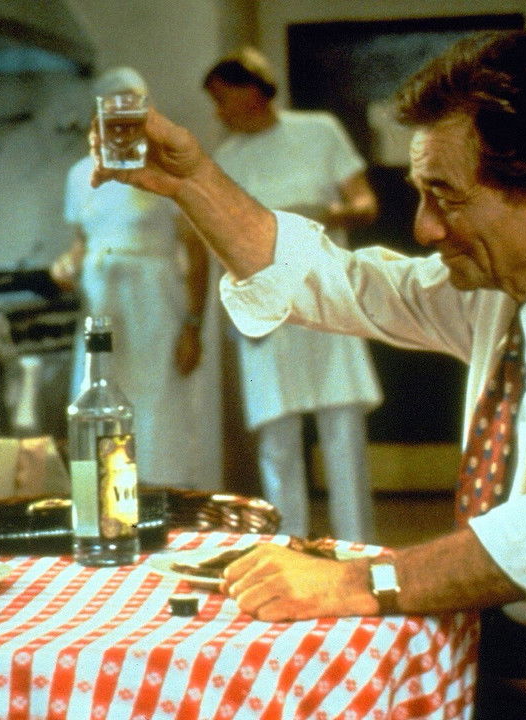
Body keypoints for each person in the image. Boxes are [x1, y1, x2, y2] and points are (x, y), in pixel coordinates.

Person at [93, 31, 526, 719]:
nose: (424, 229)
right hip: (509, 650)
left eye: (445, 198)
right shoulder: (506, 277)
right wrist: (192, 182)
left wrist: (357, 582)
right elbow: (337, 280)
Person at [199, 47, 383, 541]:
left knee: (342, 430)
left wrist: (323, 213)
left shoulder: (319, 131)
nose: (219, 112)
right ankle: (289, 546)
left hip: (326, 295)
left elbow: (365, 203)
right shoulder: (226, 160)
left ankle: (357, 546)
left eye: (222, 98)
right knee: (277, 438)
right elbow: (222, 243)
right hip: (267, 307)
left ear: (254, 92)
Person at [51, 66, 221, 491]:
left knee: (159, 409)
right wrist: (65, 266)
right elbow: (81, 243)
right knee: (101, 405)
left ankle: (164, 505)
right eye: (114, 111)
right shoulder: (80, 174)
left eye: (133, 109)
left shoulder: (166, 171)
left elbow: (196, 252)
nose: (124, 120)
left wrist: (193, 326)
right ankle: (106, 507)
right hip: (103, 307)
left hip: (155, 306)